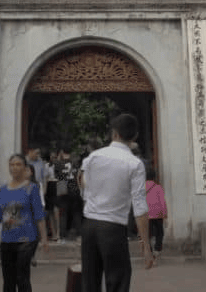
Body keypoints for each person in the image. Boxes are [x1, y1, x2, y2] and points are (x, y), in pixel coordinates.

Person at [79, 114, 154, 292]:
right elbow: (140, 206)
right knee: (118, 281)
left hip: (89, 225)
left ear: (114, 133)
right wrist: (146, 245)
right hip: (113, 228)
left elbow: (81, 180)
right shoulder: (134, 164)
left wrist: (89, 198)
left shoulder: (93, 157)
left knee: (90, 281)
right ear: (135, 136)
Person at [0, 153, 48, 292]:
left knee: (22, 277)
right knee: (8, 280)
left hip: (26, 239)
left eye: (18, 164)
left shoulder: (32, 189)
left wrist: (44, 239)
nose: (15, 167)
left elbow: (39, 215)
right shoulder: (2, 190)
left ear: (25, 167)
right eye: (12, 165)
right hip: (7, 239)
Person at [144, 164, 167, 263]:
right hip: (158, 213)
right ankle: (157, 249)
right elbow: (162, 201)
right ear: (154, 177)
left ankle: (149, 252)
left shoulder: (141, 187)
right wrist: (165, 213)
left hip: (146, 214)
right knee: (159, 233)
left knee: (147, 235)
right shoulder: (158, 187)